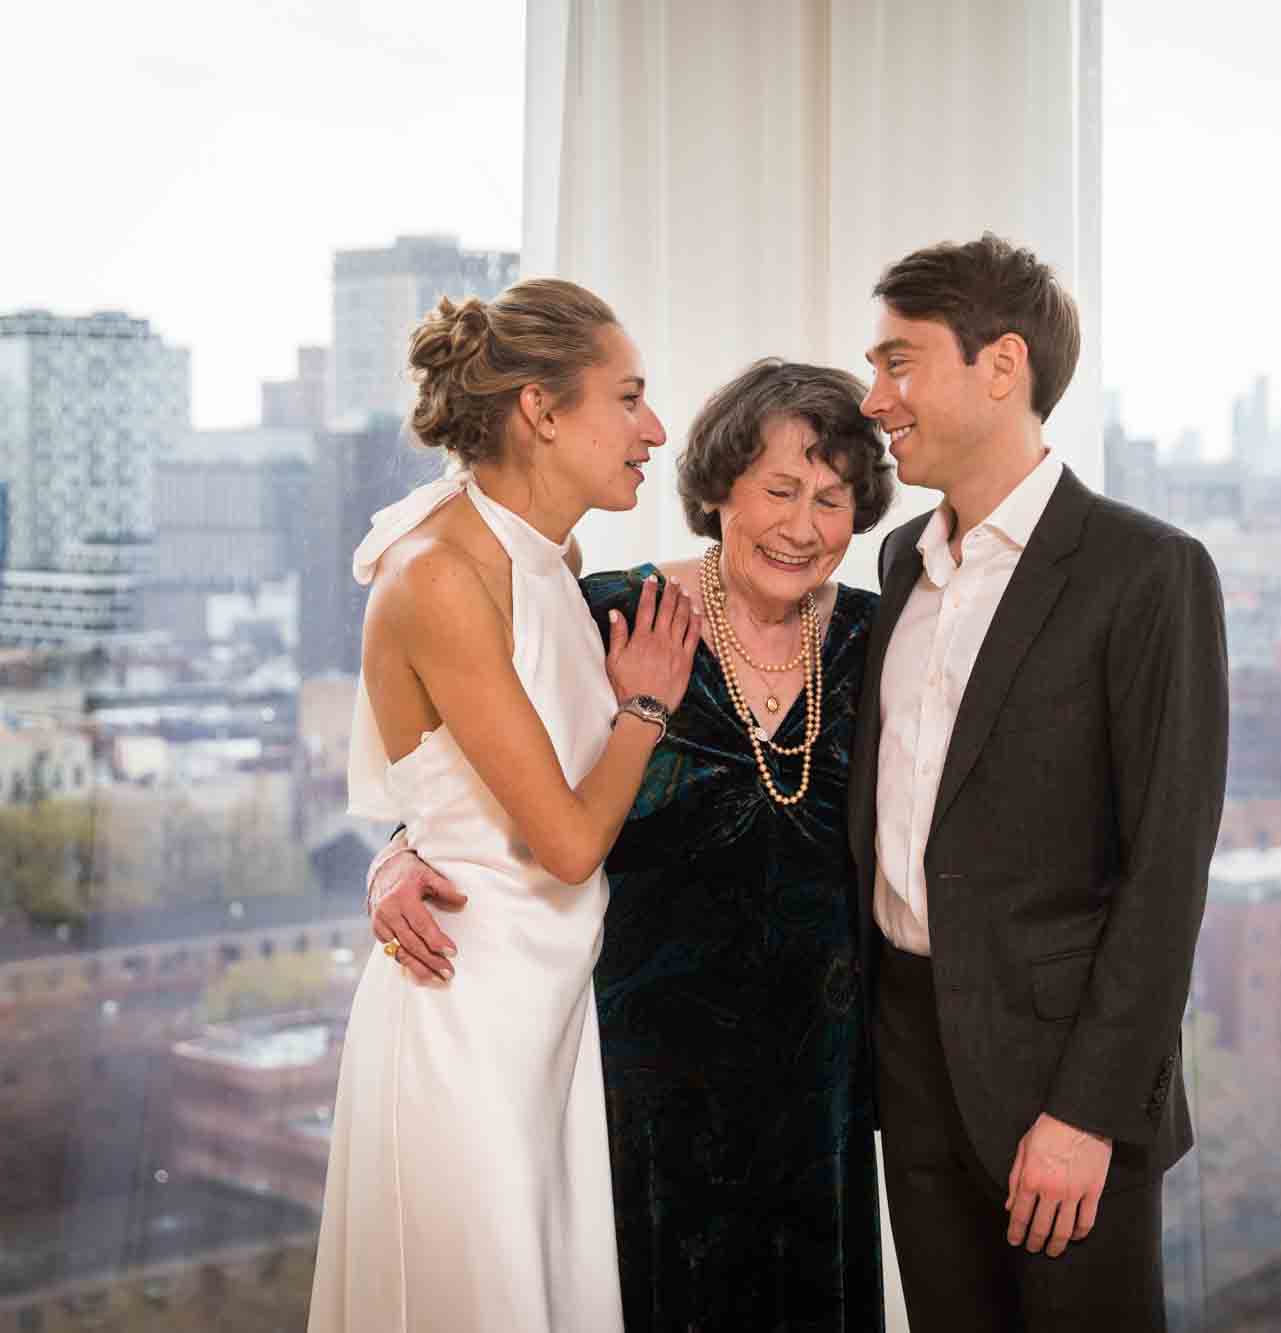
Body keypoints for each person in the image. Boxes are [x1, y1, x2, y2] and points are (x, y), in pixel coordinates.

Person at [369, 359, 896, 1331]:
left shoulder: (879, 638)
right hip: (636, 1084)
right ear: (719, 488)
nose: (802, 524)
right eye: (778, 488)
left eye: (831, 498)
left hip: (817, 1087)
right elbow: (490, 774)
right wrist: (397, 849)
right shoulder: (610, 612)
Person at [851, 234, 1228, 1331]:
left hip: (1060, 1089)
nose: (874, 399)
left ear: (1000, 365)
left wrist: (1086, 1113)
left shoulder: (1146, 572)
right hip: (909, 1067)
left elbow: (1165, 874)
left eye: (897, 363)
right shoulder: (896, 561)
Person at [308, 278, 700, 1333]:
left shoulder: (548, 556)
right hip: (463, 1019)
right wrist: (646, 706)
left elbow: (459, 784)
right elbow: (566, 841)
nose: (652, 429)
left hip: (545, 1017)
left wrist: (400, 845)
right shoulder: (438, 573)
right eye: (627, 398)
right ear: (539, 408)